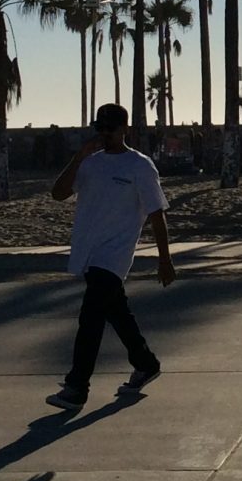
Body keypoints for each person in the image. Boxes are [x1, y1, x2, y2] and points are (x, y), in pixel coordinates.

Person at [45, 103, 175, 410]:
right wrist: (79, 157)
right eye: (99, 128)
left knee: (90, 318)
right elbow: (58, 193)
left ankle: (77, 387)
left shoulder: (139, 166)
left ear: (124, 129)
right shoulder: (90, 164)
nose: (104, 135)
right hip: (89, 252)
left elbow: (157, 213)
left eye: (110, 129)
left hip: (115, 254)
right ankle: (145, 362)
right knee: (116, 312)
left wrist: (165, 258)